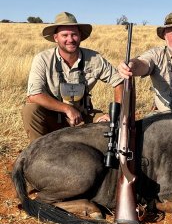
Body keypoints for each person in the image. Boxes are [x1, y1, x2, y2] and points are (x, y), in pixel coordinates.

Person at [22, 11, 123, 142]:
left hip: (83, 117)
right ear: (56, 38)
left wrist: (111, 115)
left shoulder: (94, 58)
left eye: (74, 34)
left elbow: (119, 82)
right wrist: (67, 109)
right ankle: (37, 152)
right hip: (52, 117)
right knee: (30, 110)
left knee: (110, 127)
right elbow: (34, 95)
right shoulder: (42, 59)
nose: (70, 39)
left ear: (80, 36)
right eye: (65, 35)